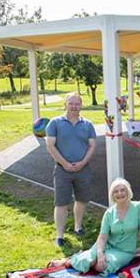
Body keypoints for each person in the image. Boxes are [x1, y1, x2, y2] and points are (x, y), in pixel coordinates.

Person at [49, 178, 140, 275]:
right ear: (112, 195)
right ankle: (68, 261)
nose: (120, 193)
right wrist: (99, 253)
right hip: (106, 245)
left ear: (128, 192)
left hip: (125, 251)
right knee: (87, 261)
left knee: (101, 266)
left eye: (122, 190)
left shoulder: (138, 207)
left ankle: (86, 257)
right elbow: (103, 237)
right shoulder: (109, 213)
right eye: (116, 191)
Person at [45, 93, 97, 247]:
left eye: (77, 104)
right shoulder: (55, 123)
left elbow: (92, 145)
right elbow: (50, 145)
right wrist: (64, 163)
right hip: (62, 170)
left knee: (81, 200)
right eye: (71, 103)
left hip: (83, 169)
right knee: (61, 203)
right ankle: (59, 235)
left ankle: (78, 227)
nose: (74, 107)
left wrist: (82, 162)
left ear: (81, 105)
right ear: (65, 105)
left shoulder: (87, 124)